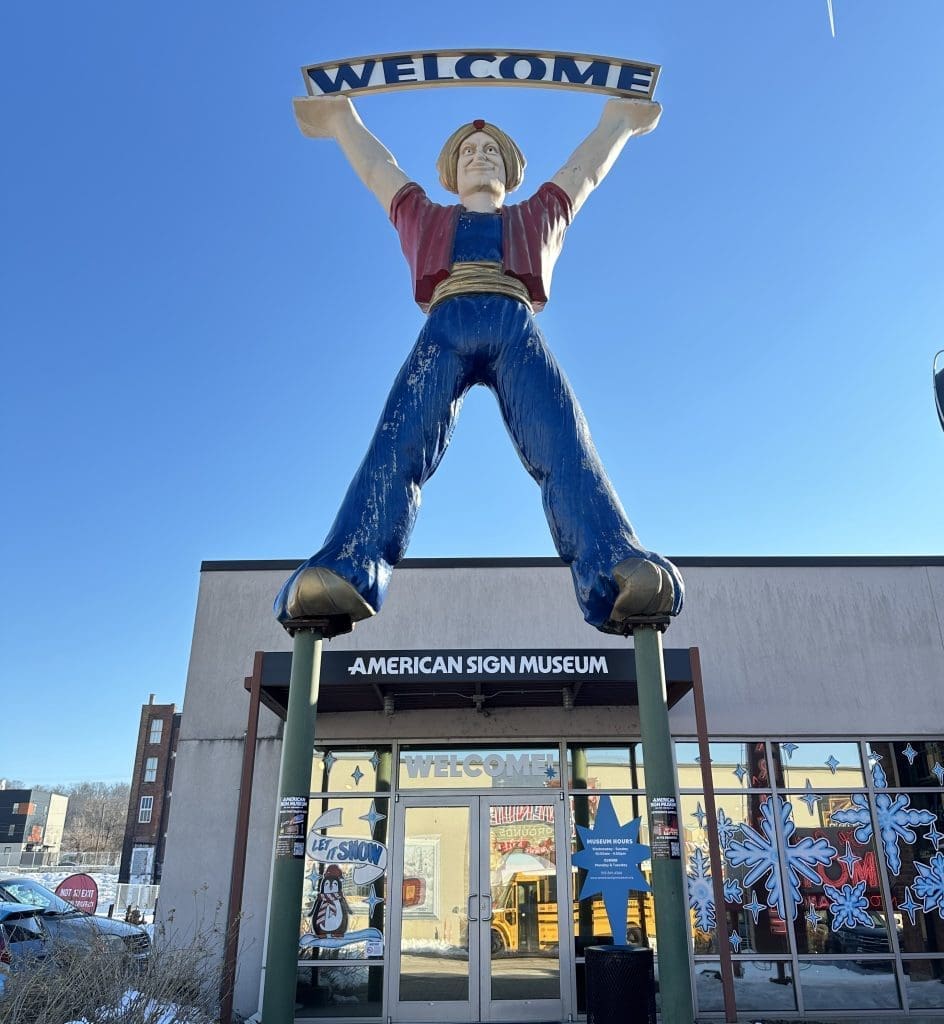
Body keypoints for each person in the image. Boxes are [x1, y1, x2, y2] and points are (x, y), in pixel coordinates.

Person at [275, 94, 683, 634]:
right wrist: (342, 121)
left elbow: (581, 174)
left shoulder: (534, 215)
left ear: (512, 169)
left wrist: (617, 124)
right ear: (449, 169)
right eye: (468, 150)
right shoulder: (426, 215)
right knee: (398, 443)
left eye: (491, 149)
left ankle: (613, 563)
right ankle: (350, 562)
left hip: (514, 325)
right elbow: (380, 170)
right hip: (444, 327)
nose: (480, 156)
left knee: (563, 442)